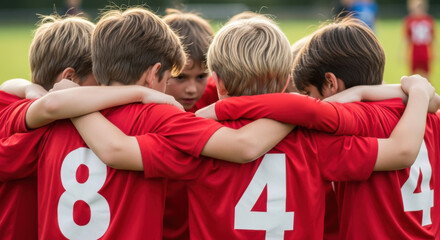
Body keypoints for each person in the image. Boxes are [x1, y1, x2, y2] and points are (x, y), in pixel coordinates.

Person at [68, 18, 431, 239]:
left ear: (219, 82)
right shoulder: (317, 140)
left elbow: (117, 150)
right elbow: (399, 151)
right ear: (288, 79)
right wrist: (414, 90)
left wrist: (69, 104)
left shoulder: (197, 140)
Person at [0, 7, 293, 239]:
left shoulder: (48, 120)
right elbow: (243, 145)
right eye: (170, 79)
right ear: (154, 75)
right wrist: (302, 109)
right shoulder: (160, 118)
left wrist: (35, 92)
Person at [205, 17, 440, 239]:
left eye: (308, 94)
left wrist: (219, 110)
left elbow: (301, 110)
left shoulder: (355, 117)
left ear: (330, 83)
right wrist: (407, 91)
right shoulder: (428, 116)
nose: (306, 99)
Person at [0, 14, 96, 240]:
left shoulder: (8, 105)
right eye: (100, 76)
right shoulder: (68, 128)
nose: (105, 85)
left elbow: (7, 86)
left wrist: (27, 87)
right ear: (70, 78)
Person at [161, 9, 216, 239]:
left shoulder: (218, 95)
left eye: (201, 76)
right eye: (181, 77)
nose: (192, 88)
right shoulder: (141, 104)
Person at [404, 0, 435, 78]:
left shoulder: (429, 19)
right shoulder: (410, 20)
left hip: (425, 50)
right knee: (412, 74)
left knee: (426, 74)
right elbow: (407, 38)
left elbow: (432, 38)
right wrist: (405, 53)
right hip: (414, 51)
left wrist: (433, 52)